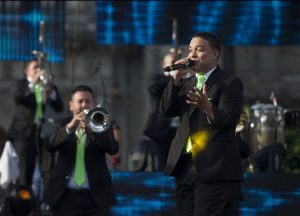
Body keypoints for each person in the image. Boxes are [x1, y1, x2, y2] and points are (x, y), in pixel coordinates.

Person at [160, 32, 244, 216]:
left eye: (200, 49)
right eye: (190, 50)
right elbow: (166, 111)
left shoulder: (229, 82)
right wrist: (175, 79)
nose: (192, 55)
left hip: (213, 168)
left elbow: (228, 120)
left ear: (215, 54)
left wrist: (208, 107)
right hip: (185, 166)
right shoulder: (187, 83)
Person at [43, 85, 119, 216]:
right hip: (65, 196)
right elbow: (49, 145)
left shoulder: (103, 124)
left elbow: (113, 148)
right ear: (71, 105)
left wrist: (93, 133)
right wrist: (70, 127)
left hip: (96, 197)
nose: (84, 105)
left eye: (88, 101)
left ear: (94, 105)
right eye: (80, 101)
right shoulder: (61, 124)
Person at [7, 58, 64, 190]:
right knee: (26, 167)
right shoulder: (20, 84)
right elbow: (18, 98)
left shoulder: (47, 85)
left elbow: (59, 106)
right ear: (26, 71)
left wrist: (51, 91)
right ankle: (23, 199)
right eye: (35, 68)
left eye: (40, 68)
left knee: (48, 166)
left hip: (44, 131)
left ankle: (47, 199)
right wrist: (33, 84)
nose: (39, 71)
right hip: (25, 133)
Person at [140, 50, 181, 171]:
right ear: (164, 65)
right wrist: (174, 77)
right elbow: (154, 88)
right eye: (173, 62)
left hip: (182, 129)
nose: (176, 65)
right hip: (162, 130)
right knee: (162, 165)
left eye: (178, 62)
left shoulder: (188, 80)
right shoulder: (158, 78)